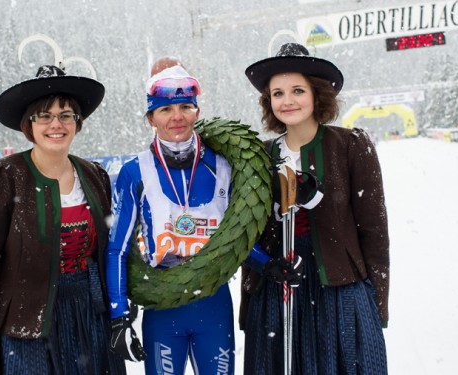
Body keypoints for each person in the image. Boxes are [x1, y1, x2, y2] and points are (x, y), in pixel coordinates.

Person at [105, 57, 296, 375]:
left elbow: (234, 237)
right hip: (163, 307)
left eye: (185, 107)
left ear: (197, 111)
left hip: (213, 303)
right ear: (151, 118)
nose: (176, 117)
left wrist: (268, 265)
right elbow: (118, 249)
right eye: (165, 109)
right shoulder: (135, 172)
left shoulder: (221, 166)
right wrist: (119, 316)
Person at [0, 65, 126, 374]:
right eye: (44, 115)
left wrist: (120, 313)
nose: (56, 124)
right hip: (28, 332)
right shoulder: (2, 179)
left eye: (66, 115)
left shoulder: (94, 176)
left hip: (92, 320)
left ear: (77, 121)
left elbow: (110, 253)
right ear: (29, 124)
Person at [240, 43, 389, 374]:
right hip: (278, 287)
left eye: (297, 90)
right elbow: (244, 232)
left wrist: (378, 303)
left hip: (339, 289)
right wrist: (265, 268)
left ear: (316, 94)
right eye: (277, 93)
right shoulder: (258, 155)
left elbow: (374, 232)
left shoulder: (351, 146)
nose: (288, 100)